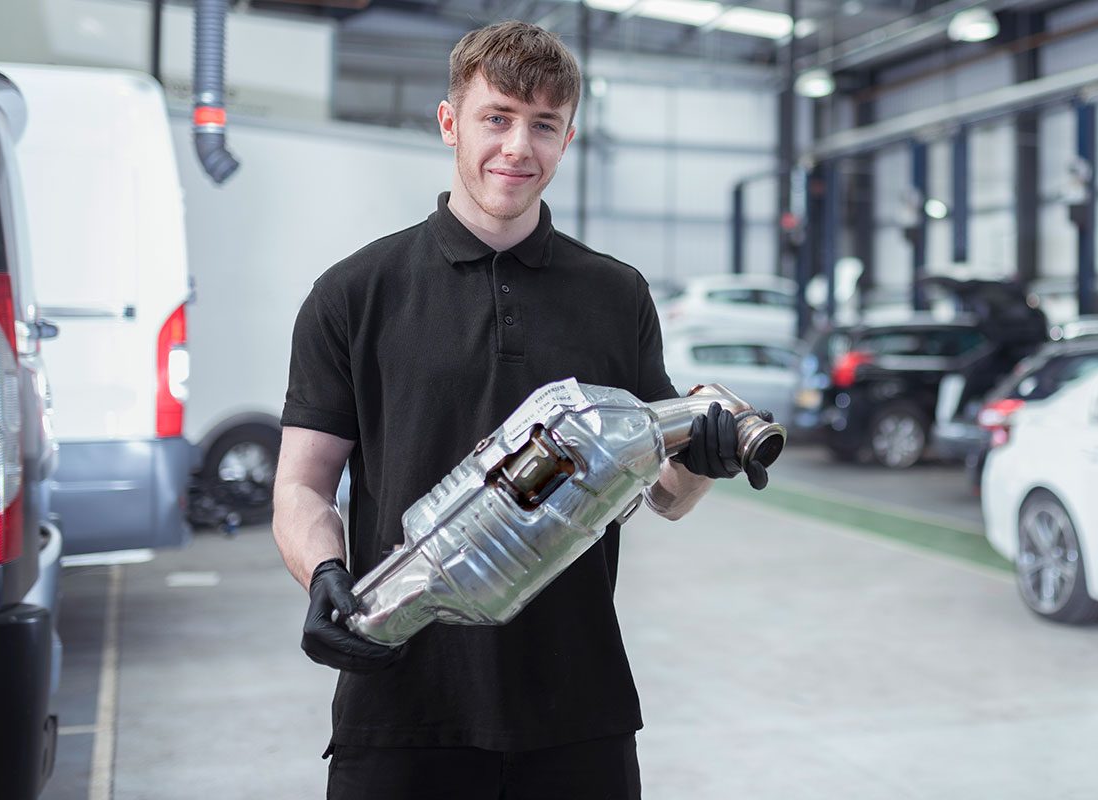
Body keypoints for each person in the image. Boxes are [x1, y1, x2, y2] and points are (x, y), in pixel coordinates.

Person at [272, 20, 770, 800]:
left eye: (543, 125)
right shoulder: (355, 293)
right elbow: (302, 485)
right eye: (497, 117)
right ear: (450, 123)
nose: (517, 147)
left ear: (567, 139)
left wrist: (702, 465)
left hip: (577, 711)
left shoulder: (617, 294)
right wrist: (323, 574)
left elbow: (664, 496)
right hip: (402, 708)